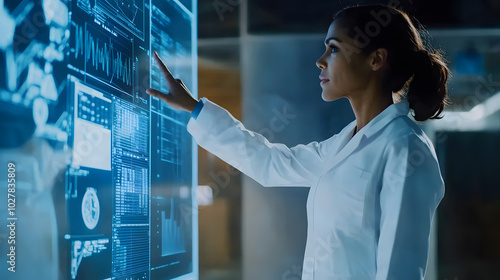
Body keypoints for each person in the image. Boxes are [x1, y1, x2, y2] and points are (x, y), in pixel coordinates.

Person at [146, 4, 449, 280]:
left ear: (376, 59)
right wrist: (194, 108)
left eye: (333, 49)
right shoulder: (343, 144)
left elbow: (400, 271)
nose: (320, 62)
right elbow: (270, 162)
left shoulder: (406, 149)